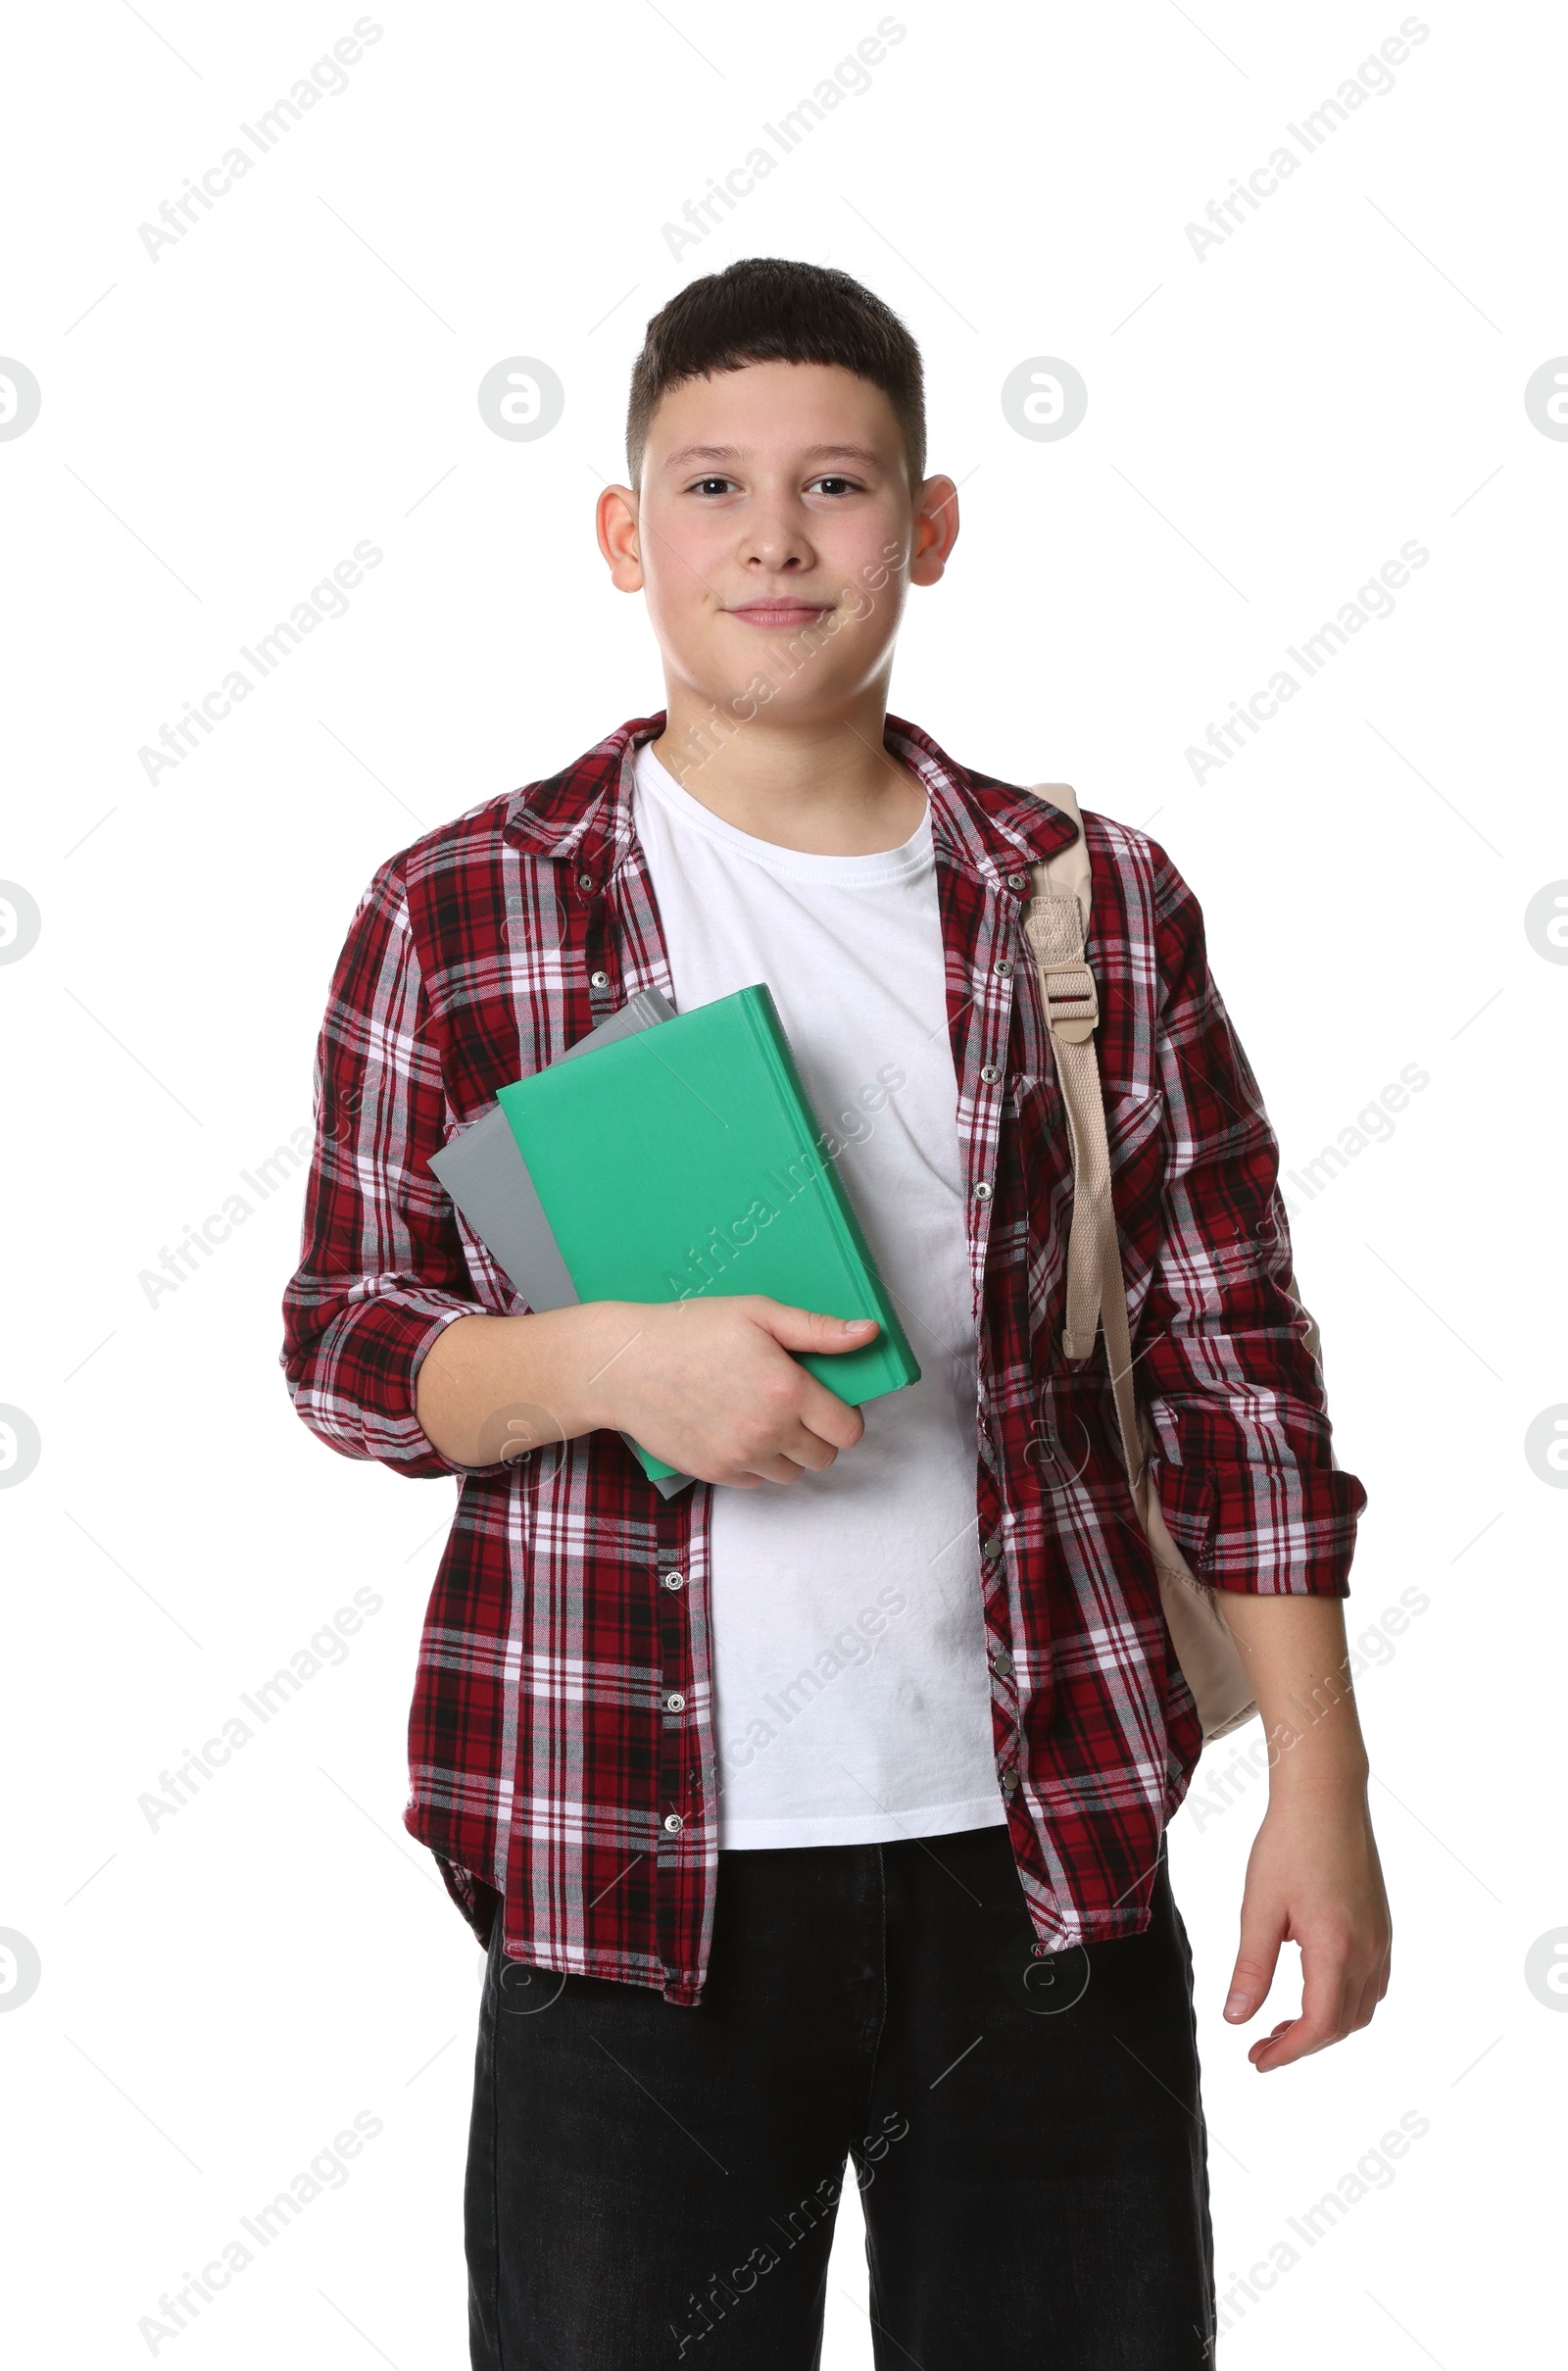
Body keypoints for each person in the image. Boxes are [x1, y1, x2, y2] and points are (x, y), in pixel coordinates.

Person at [281, 256, 1392, 2370]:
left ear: (931, 527)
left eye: (835, 486)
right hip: (621, 1870)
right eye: (709, 485)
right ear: (626, 536)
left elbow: (1233, 1373)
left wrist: (1318, 1797)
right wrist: (612, 1362)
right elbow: (347, 1340)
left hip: (1042, 1856)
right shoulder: (463, 901)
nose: (772, 539)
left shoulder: (1090, 896)